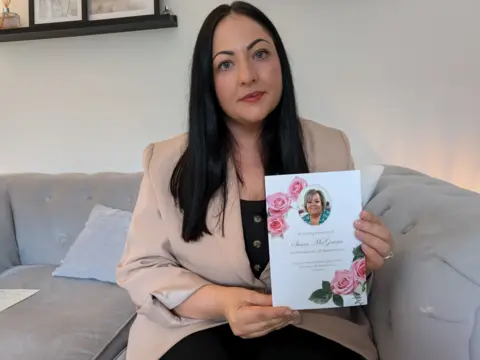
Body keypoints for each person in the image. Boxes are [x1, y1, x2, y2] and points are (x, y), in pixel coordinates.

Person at [116, 2, 394, 360]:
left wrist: (367, 258)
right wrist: (226, 303)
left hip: (307, 324)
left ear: (281, 62)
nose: (247, 76)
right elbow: (142, 268)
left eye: (260, 54)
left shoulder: (328, 147)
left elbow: (339, 269)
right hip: (196, 328)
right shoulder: (166, 162)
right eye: (226, 64)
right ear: (208, 81)